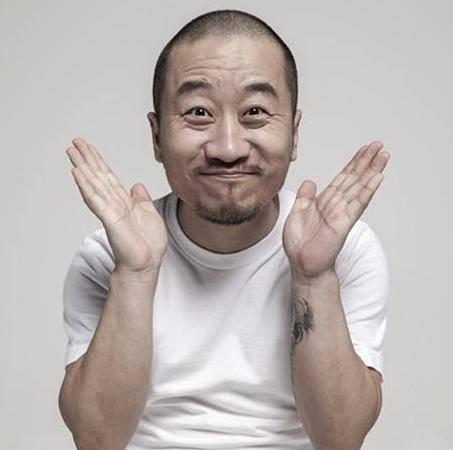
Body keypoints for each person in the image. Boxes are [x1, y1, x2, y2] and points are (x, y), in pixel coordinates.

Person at [58, 9, 390, 450]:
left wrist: (314, 278)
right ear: (157, 137)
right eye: (198, 112)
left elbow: (341, 439)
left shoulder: (347, 250)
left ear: (294, 133)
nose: (228, 148)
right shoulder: (107, 256)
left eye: (255, 112)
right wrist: (134, 275)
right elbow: (97, 440)